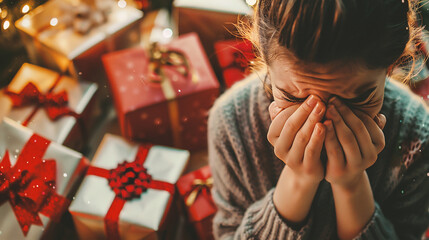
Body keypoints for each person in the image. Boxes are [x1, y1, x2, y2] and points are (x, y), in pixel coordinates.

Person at [208, 0, 429, 239]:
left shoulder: (416, 136)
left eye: (358, 99)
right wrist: (298, 180)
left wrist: (352, 185)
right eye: (293, 97)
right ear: (264, 58)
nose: (322, 122)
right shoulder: (232, 124)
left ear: (391, 65)